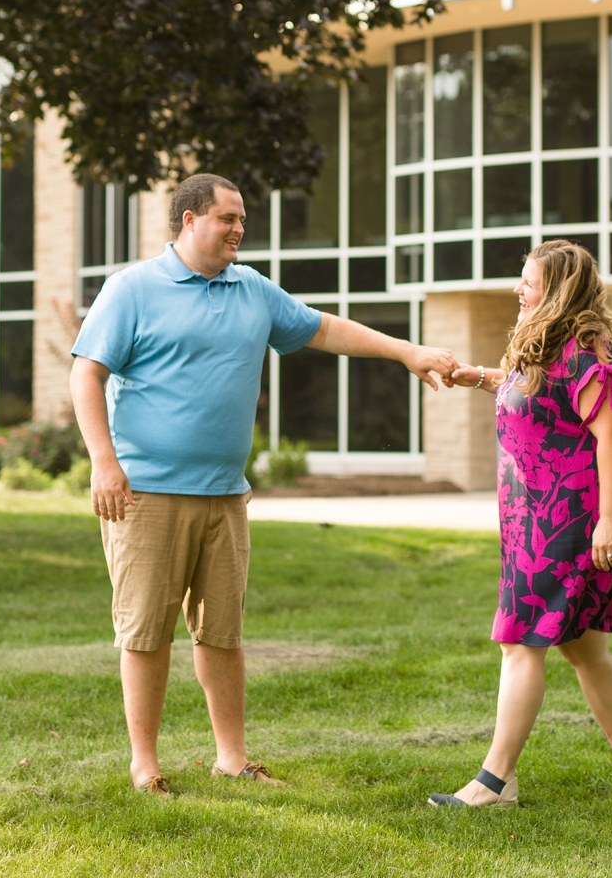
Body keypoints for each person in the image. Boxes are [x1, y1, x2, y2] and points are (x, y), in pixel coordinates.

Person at [70, 172, 460, 796]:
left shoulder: (250, 289)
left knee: (222, 634)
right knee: (146, 634)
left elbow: (326, 330)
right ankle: (145, 766)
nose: (239, 229)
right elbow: (86, 376)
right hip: (147, 494)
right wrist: (104, 462)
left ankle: (231, 758)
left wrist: (407, 351)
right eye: (228, 218)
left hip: (225, 493)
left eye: (243, 219)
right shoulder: (132, 290)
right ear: (190, 219)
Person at [429, 239, 612, 808]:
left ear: (555, 291)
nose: (518, 289)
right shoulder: (546, 343)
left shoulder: (588, 353)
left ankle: (496, 779)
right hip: (537, 518)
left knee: (520, 642)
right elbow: (534, 393)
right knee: (584, 649)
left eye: (528, 282)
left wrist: (609, 522)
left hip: (573, 521)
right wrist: (478, 376)